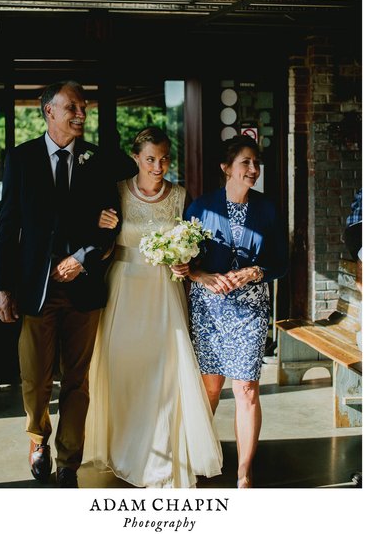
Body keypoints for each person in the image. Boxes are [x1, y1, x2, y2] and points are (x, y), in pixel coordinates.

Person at [0, 81, 120, 488]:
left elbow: (110, 224)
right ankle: (37, 438)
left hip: (83, 288)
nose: (81, 113)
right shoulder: (21, 158)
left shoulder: (98, 160)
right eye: (72, 106)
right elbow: (8, 225)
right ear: (48, 110)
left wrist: (80, 259)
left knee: (77, 380)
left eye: (83, 106)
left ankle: (69, 458)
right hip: (35, 288)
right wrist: (2, 287)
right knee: (36, 376)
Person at [83, 127, 222, 488]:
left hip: (163, 292)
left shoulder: (179, 195)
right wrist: (97, 223)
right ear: (136, 158)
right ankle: (124, 446)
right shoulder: (116, 192)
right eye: (150, 159)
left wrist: (185, 262)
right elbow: (97, 240)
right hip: (124, 290)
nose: (158, 166)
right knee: (125, 370)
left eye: (163, 159)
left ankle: (163, 454)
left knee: (166, 372)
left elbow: (190, 244)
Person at [182, 136, 288, 488]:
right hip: (209, 308)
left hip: (251, 308)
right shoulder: (200, 208)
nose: (254, 170)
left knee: (246, 389)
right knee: (210, 388)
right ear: (226, 168)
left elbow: (281, 263)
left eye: (256, 163)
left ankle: (244, 471)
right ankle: (197, 457)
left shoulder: (268, 209)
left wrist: (257, 271)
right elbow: (184, 265)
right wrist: (201, 275)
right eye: (246, 163)